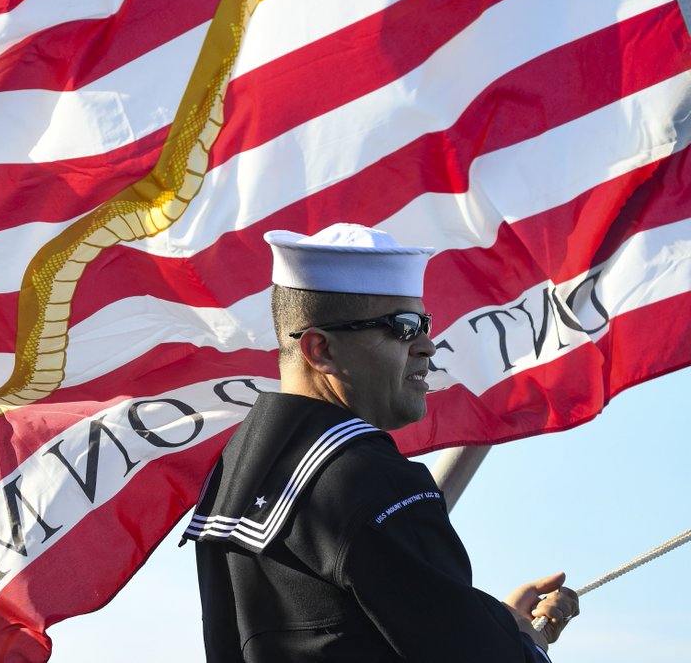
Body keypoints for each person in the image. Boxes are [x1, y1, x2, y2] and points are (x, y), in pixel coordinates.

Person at [182, 223, 579, 662]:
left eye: (423, 324)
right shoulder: (366, 476)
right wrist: (527, 645)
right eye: (403, 327)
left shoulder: (233, 472)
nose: (427, 346)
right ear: (320, 350)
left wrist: (500, 624)